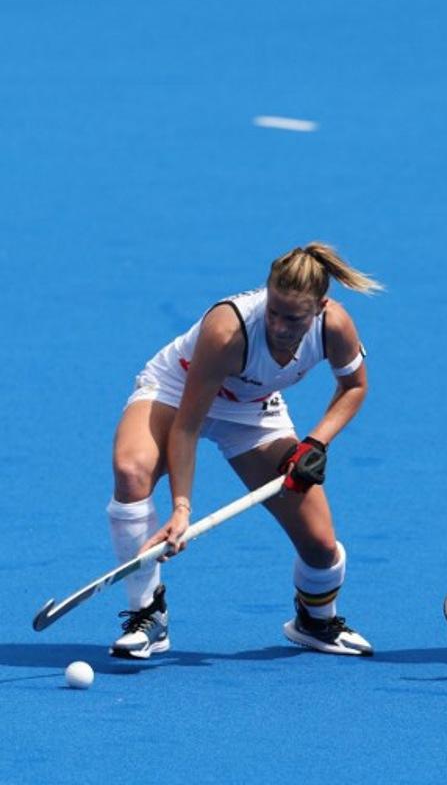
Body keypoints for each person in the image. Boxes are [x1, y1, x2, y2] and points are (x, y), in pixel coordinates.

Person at [106, 243, 383, 658]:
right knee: (131, 471)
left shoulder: (335, 326)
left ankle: (315, 620)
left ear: (321, 306)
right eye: (273, 311)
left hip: (253, 411)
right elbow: (187, 425)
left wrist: (314, 442)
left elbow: (354, 386)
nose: (279, 325)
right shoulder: (228, 331)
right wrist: (181, 507)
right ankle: (148, 614)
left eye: (293, 318)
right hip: (177, 391)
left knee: (321, 546)